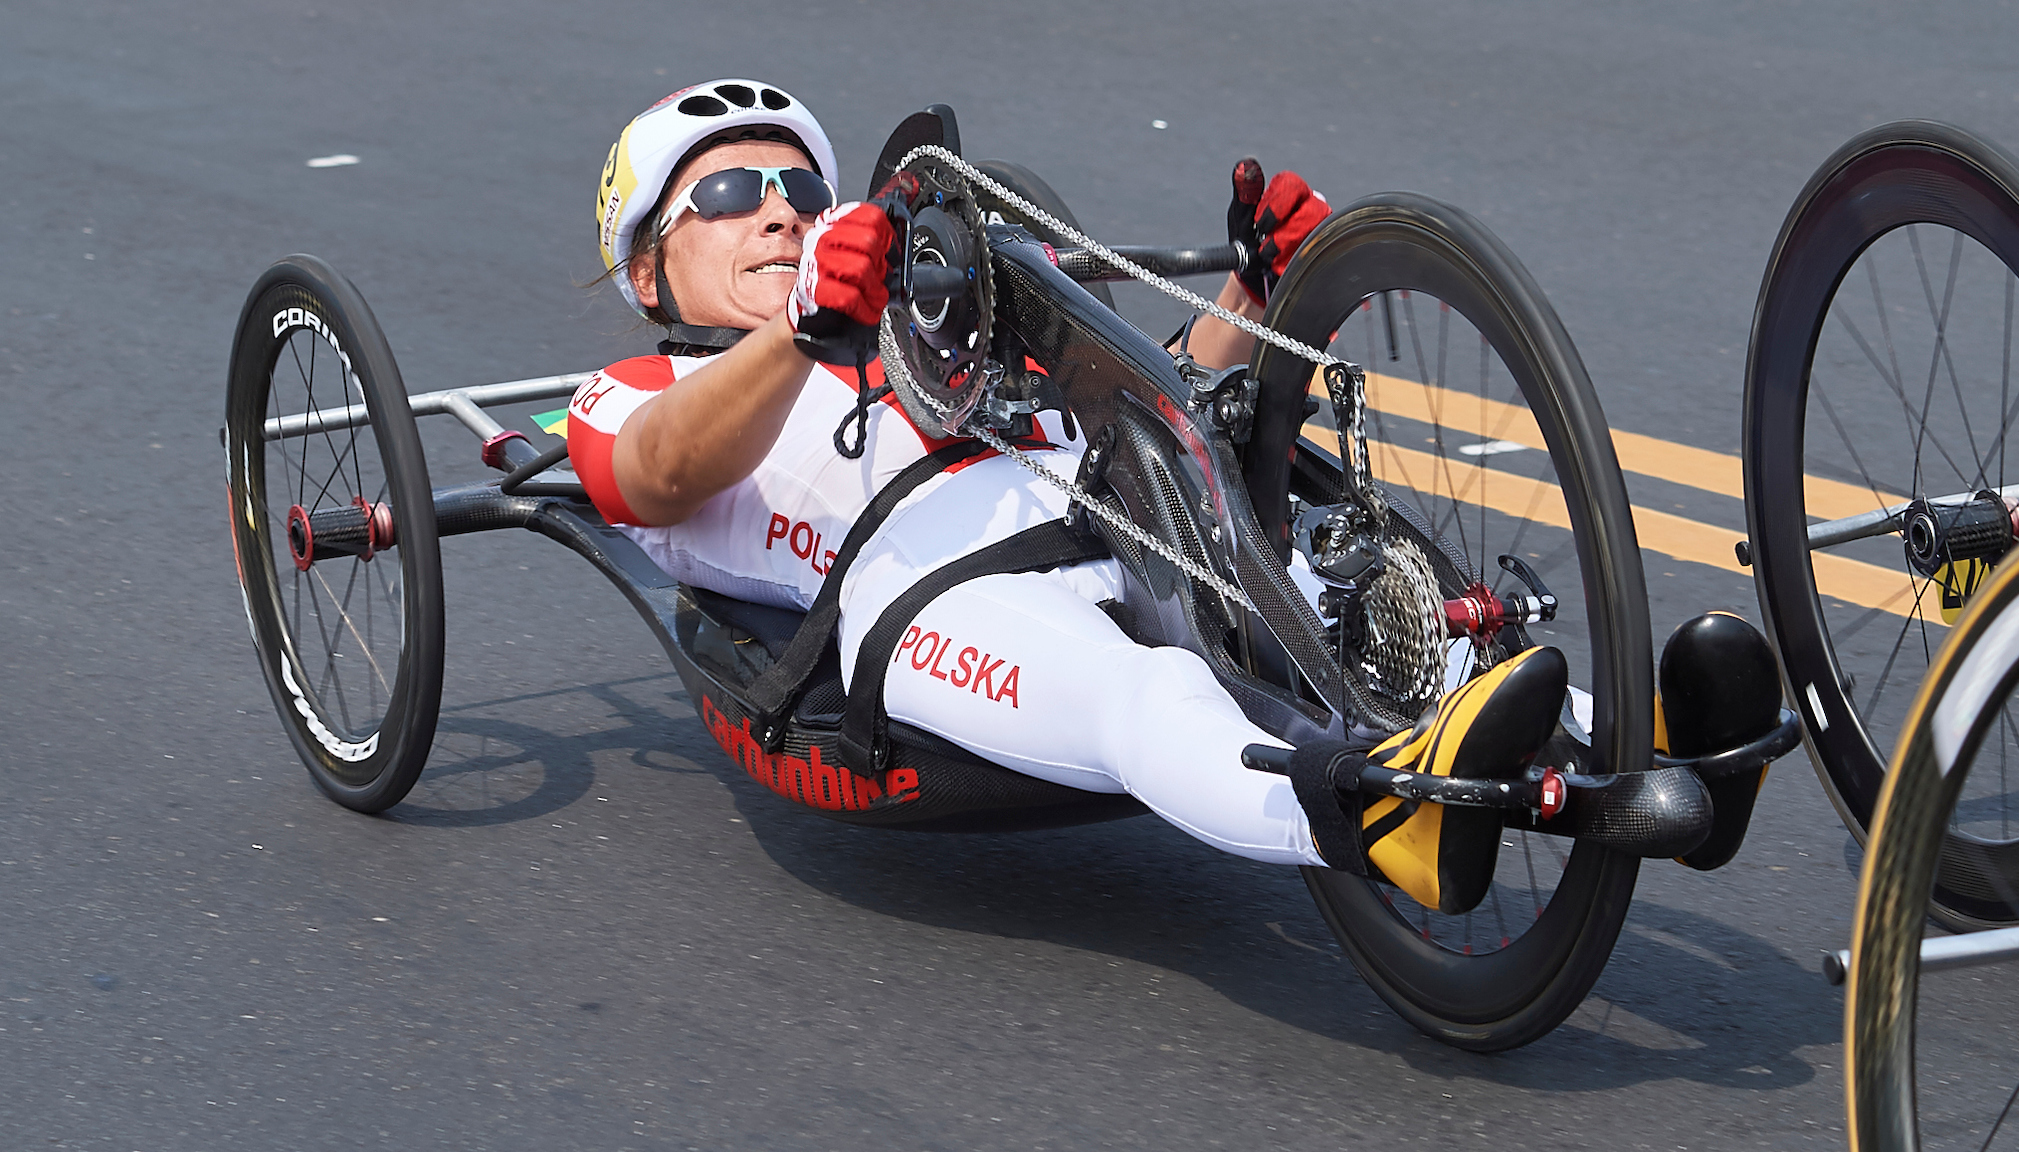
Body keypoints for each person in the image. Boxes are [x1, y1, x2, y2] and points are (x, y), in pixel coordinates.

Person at [568, 79, 1565, 912]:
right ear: (648, 265)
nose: (780, 207)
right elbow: (655, 476)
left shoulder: (917, 331)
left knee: (1372, 618)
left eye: (797, 185)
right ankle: (1374, 822)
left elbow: (1142, 408)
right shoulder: (634, 392)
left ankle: (1631, 737)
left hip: (1124, 510)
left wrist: (1258, 296)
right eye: (732, 190)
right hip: (929, 589)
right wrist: (800, 328)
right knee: (1150, 693)